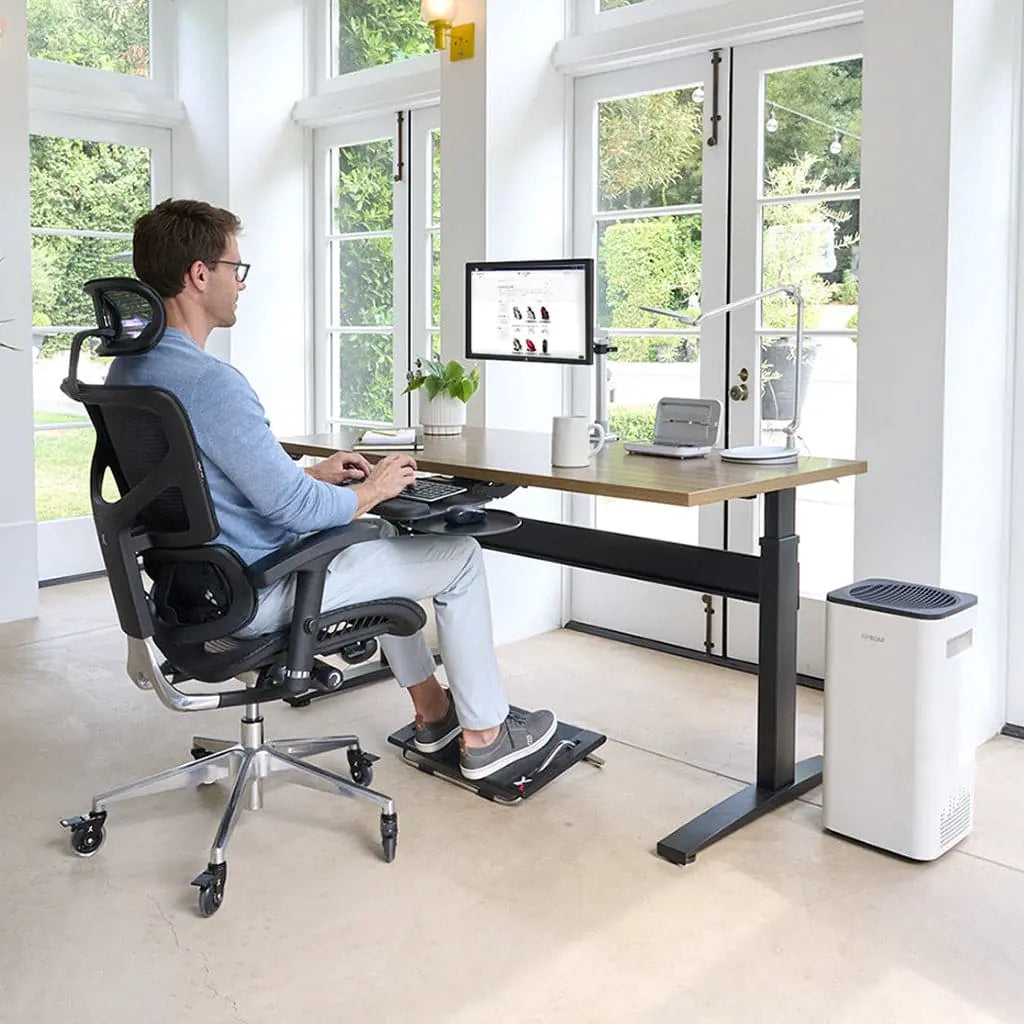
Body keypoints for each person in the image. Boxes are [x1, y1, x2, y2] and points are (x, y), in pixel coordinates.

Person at [106, 198, 556, 781]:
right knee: (462, 557)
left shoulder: (133, 370)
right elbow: (295, 510)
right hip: (259, 586)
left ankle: (433, 713)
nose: (240, 285)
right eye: (234, 270)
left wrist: (314, 475)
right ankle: (487, 735)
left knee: (392, 534)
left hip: (194, 586)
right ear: (199, 275)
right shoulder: (209, 382)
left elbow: (198, 485)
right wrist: (373, 488)